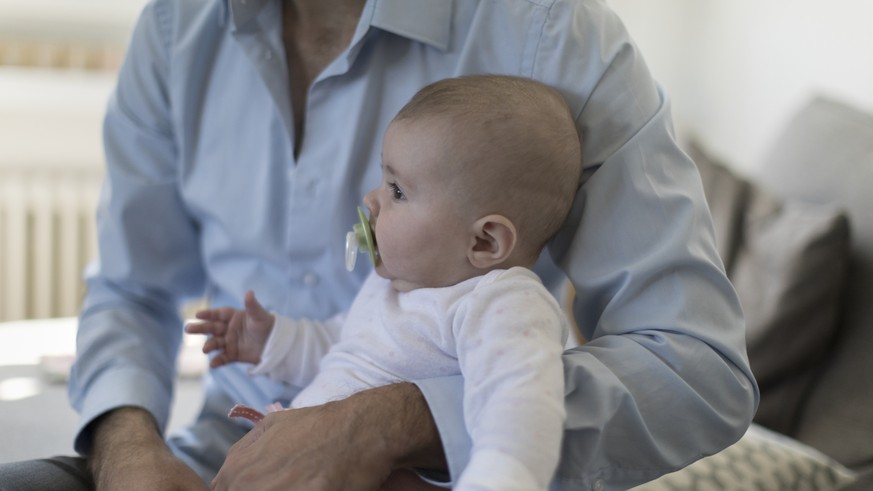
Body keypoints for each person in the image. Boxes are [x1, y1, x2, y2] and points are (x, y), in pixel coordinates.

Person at [0, 0, 758, 490]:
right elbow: (131, 290)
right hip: (226, 454)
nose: (371, 205)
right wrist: (126, 446)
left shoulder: (551, 37)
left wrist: (397, 423)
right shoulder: (175, 28)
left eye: (395, 189)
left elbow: (695, 367)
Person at [186, 74, 580, 490]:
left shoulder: (499, 303)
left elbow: (519, 406)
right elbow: (344, 349)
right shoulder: (394, 288)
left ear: (484, 241)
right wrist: (275, 341)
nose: (371, 200)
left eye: (397, 190)